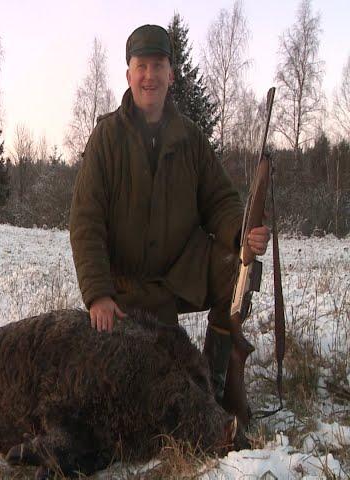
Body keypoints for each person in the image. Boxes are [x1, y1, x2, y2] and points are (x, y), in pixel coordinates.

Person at [69, 24, 270, 404]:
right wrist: (98, 295)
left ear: (171, 74)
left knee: (239, 267)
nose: (150, 76)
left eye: (158, 65)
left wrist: (243, 233)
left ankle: (215, 376)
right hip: (127, 289)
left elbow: (221, 202)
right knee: (139, 388)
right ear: (129, 75)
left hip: (181, 274)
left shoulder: (192, 138)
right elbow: (85, 221)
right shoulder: (106, 139)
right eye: (141, 66)